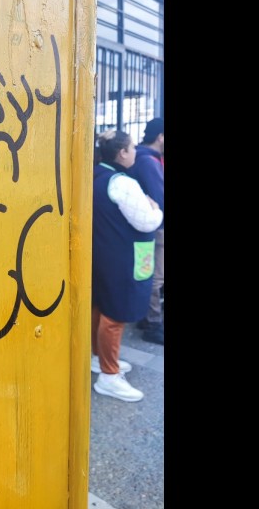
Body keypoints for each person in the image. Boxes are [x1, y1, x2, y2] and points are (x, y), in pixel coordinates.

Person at [91, 130, 163, 402]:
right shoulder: (123, 183)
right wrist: (155, 209)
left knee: (101, 308)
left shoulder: (97, 175)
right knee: (115, 316)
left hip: (104, 255)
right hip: (123, 259)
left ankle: (98, 358)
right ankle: (109, 376)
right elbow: (147, 221)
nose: (135, 152)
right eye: (132, 148)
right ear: (122, 153)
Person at [129, 118, 164, 345]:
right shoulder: (148, 161)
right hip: (156, 227)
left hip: (147, 226)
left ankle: (145, 316)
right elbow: (160, 196)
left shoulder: (142, 157)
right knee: (155, 276)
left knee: (148, 272)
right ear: (160, 137)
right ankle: (152, 323)